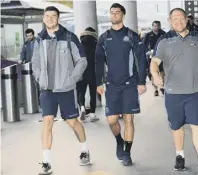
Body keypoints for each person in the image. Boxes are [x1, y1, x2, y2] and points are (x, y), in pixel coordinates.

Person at [151, 8, 198, 175]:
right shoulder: (164, 40)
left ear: (186, 20)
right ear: (169, 20)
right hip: (173, 93)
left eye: (181, 19)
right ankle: (179, 155)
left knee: (197, 125)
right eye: (175, 19)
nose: (178, 22)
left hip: (195, 90)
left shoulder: (197, 37)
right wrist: (154, 74)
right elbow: (154, 62)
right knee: (176, 127)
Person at [32, 6, 90, 175]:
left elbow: (82, 61)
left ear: (58, 19)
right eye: (47, 16)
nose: (50, 19)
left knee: (72, 122)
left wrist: (71, 79)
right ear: (43, 19)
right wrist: (39, 77)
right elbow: (35, 62)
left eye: (53, 16)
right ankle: (46, 162)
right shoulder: (39, 40)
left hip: (65, 89)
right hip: (47, 89)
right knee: (47, 122)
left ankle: (84, 149)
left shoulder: (69, 37)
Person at [95, 3, 147, 166]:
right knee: (111, 120)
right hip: (111, 84)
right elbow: (98, 61)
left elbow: (141, 59)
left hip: (130, 84)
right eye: (112, 13)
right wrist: (99, 82)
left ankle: (127, 153)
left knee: (129, 119)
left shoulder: (132, 36)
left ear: (123, 15)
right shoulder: (104, 38)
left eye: (117, 12)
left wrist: (141, 81)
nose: (114, 15)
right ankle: (119, 140)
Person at [77, 27, 99, 122]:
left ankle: (82, 108)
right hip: (93, 72)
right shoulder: (96, 45)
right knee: (93, 93)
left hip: (81, 72)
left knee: (81, 92)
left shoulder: (78, 45)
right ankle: (92, 114)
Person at [143, 21, 166, 96]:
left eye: (158, 26)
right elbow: (143, 45)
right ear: (152, 26)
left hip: (161, 56)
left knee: (162, 71)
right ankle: (155, 89)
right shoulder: (148, 35)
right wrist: (147, 51)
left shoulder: (163, 34)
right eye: (155, 26)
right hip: (151, 56)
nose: (156, 27)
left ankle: (162, 87)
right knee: (153, 72)